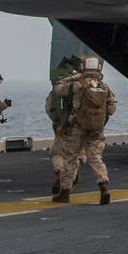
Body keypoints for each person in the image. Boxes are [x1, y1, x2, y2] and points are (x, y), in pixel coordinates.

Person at [53, 56, 116, 205]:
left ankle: (65, 192)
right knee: (95, 157)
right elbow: (112, 108)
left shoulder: (77, 85)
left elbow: (57, 88)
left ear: (84, 67)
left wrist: (75, 77)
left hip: (77, 128)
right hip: (96, 129)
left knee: (71, 158)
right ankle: (103, 187)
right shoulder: (104, 87)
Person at [45, 61, 85, 195]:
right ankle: (69, 183)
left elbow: (49, 109)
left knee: (57, 153)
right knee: (78, 155)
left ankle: (59, 173)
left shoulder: (57, 90)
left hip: (61, 127)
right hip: (78, 128)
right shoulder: (82, 87)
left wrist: (58, 123)